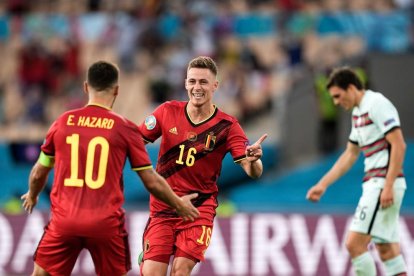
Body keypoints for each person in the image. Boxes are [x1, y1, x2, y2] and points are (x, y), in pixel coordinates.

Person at [20, 61, 200, 276]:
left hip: (64, 221)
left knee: (40, 274)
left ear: (86, 87)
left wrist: (32, 194)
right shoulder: (124, 128)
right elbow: (150, 180)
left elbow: (39, 171)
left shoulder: (62, 123)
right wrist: (178, 204)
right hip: (105, 224)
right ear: (117, 90)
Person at [138, 56, 267, 275]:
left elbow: (252, 170)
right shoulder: (167, 112)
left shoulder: (227, 126)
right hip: (164, 207)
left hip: (199, 209)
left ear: (215, 85)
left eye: (203, 82)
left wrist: (254, 161)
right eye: (193, 81)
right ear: (186, 83)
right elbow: (135, 142)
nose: (197, 87)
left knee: (180, 270)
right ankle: (147, 256)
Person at [307, 67, 407, 276]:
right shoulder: (358, 112)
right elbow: (350, 154)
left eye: (337, 96)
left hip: (382, 183)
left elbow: (399, 144)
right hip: (378, 183)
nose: (335, 102)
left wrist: (387, 185)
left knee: (354, 244)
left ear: (351, 88)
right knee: (387, 251)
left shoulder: (376, 104)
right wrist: (323, 184)